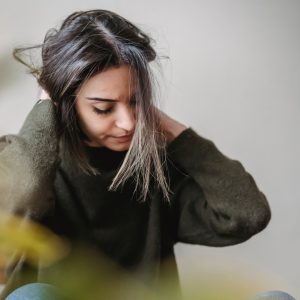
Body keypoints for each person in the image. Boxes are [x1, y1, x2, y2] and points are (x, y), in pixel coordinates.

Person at [0, 8, 287, 300]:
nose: (128, 122)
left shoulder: (157, 170)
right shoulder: (25, 164)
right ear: (65, 104)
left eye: (136, 101)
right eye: (104, 108)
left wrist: (175, 133)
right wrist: (45, 109)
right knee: (31, 296)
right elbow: (13, 206)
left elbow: (249, 215)